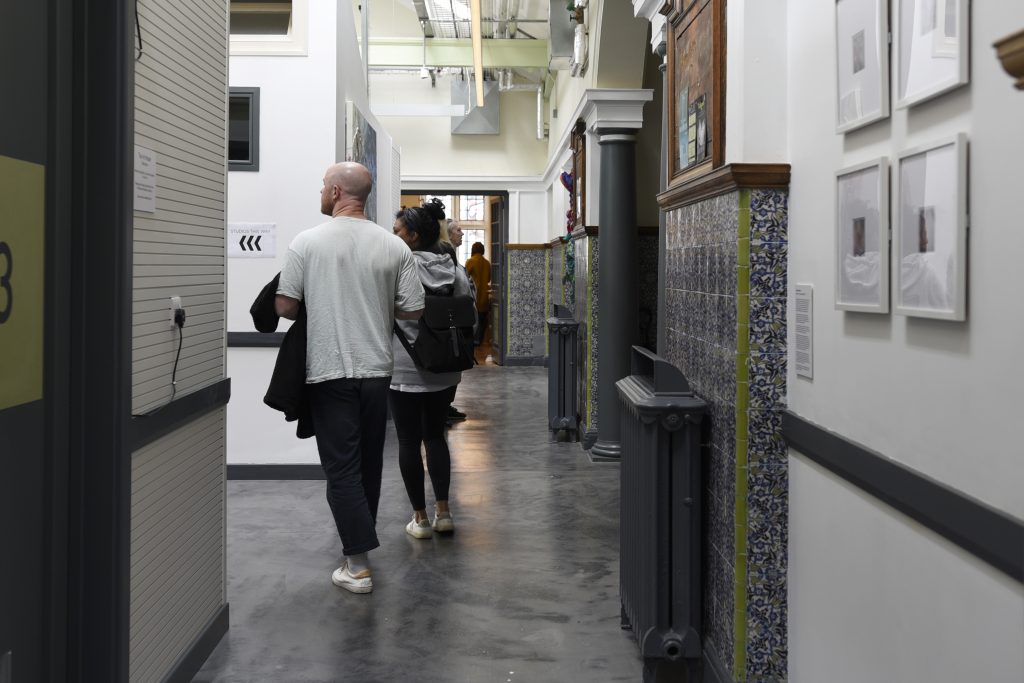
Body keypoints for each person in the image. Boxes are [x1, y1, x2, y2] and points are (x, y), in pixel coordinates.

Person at [275, 162, 425, 594]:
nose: (321, 191)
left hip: (328, 371)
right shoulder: (393, 246)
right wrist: (373, 301)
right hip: (377, 371)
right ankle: (353, 553)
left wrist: (322, 297)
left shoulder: (307, 242)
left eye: (324, 186)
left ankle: (358, 565)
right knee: (367, 466)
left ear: (337, 191)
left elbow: (285, 307)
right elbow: (413, 309)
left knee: (341, 469)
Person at [390, 199, 472, 538]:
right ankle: (445, 512)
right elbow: (470, 315)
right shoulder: (454, 269)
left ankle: (420, 519)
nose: (392, 236)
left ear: (411, 236)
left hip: (404, 369)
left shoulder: (396, 269)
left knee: (408, 441)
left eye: (396, 231)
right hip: (445, 368)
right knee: (435, 436)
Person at [465, 242, 491, 346]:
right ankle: (480, 340)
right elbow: (489, 278)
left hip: (475, 294)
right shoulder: (487, 263)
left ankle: (474, 341)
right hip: (485, 295)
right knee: (483, 319)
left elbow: (465, 276)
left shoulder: (470, 261)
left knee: (475, 320)